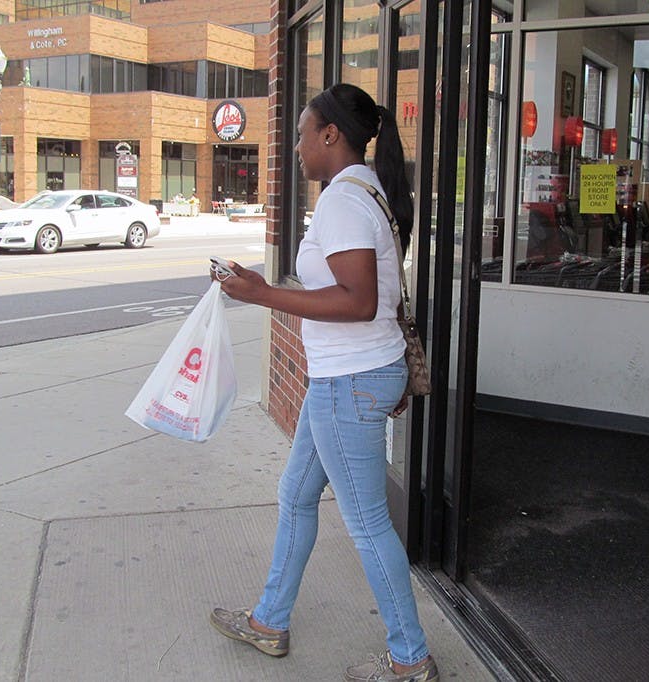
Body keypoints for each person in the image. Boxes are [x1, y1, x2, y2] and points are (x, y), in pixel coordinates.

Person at [208, 83, 439, 682]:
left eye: (304, 132)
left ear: (330, 135)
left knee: (366, 524)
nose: (297, 146)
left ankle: (411, 661)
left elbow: (359, 301)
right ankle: (269, 621)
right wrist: (267, 288)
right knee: (296, 495)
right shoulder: (365, 192)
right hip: (347, 378)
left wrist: (262, 294)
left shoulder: (344, 200)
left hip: (351, 381)